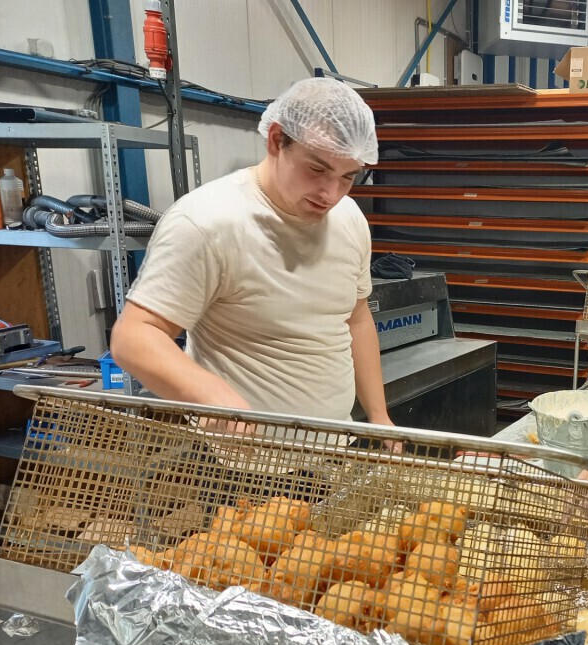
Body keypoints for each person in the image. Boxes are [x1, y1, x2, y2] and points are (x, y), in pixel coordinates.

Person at [110, 77, 393, 429]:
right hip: (240, 462)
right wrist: (211, 395)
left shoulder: (349, 219)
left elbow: (356, 319)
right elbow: (134, 336)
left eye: (348, 177)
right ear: (276, 140)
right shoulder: (208, 222)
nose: (331, 194)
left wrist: (379, 416)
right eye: (317, 169)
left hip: (329, 447)